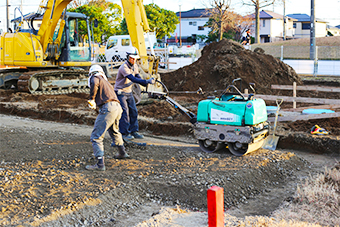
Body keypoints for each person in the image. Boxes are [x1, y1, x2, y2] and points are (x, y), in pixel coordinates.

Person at [86, 64, 129, 171]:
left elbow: (94, 82)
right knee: (114, 131)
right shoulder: (107, 83)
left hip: (109, 107)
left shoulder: (95, 77)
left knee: (96, 136)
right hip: (117, 107)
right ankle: (122, 153)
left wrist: (91, 99)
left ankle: (100, 164)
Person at [114, 48, 155, 140]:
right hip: (120, 92)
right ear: (127, 57)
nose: (133, 60)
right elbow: (133, 79)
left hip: (128, 92)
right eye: (131, 58)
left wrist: (145, 82)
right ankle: (124, 133)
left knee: (133, 111)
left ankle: (134, 131)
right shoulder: (124, 67)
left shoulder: (135, 66)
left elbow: (137, 76)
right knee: (125, 112)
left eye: (135, 58)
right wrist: (145, 81)